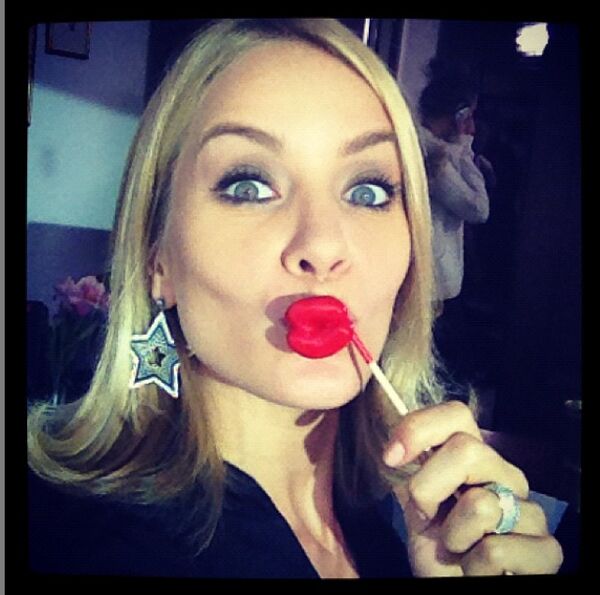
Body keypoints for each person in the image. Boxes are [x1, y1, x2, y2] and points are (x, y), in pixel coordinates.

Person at [28, 19, 566, 578]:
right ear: (157, 258)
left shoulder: (401, 523)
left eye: (368, 191)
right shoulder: (79, 544)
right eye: (249, 186)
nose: (323, 245)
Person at [417, 58, 492, 308]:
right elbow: (478, 209)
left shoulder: (433, 148)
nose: (472, 126)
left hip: (426, 273)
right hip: (433, 278)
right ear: (459, 115)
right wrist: (465, 149)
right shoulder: (434, 155)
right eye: (469, 116)